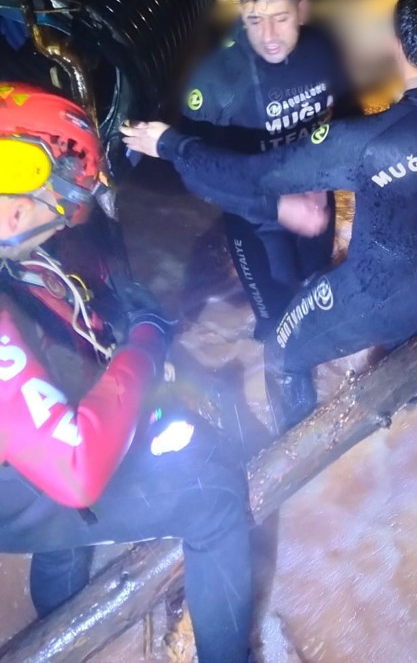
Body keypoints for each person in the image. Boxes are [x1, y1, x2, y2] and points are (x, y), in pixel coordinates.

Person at [123, 0, 417, 436]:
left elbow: (248, 175)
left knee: (283, 350)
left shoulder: (363, 143)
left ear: (397, 46)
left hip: (375, 298)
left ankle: (298, 453)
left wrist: (171, 144)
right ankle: (411, 410)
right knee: (408, 344)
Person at [0, 84, 252, 663]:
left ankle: (61, 625)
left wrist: (113, 326)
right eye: (59, 210)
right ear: (16, 198)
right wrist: (146, 343)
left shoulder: (17, 259)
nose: (61, 228)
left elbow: (56, 314)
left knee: (61, 527)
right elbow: (76, 469)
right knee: (215, 498)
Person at [179, 0, 357, 341]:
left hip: (316, 202)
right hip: (255, 219)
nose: (269, 35)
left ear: (302, 9)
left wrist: (335, 175)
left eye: (280, 17)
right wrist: (277, 206)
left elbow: (349, 118)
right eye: (255, 20)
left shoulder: (324, 50)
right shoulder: (216, 80)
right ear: (241, 16)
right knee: (276, 324)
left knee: (315, 295)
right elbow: (196, 172)